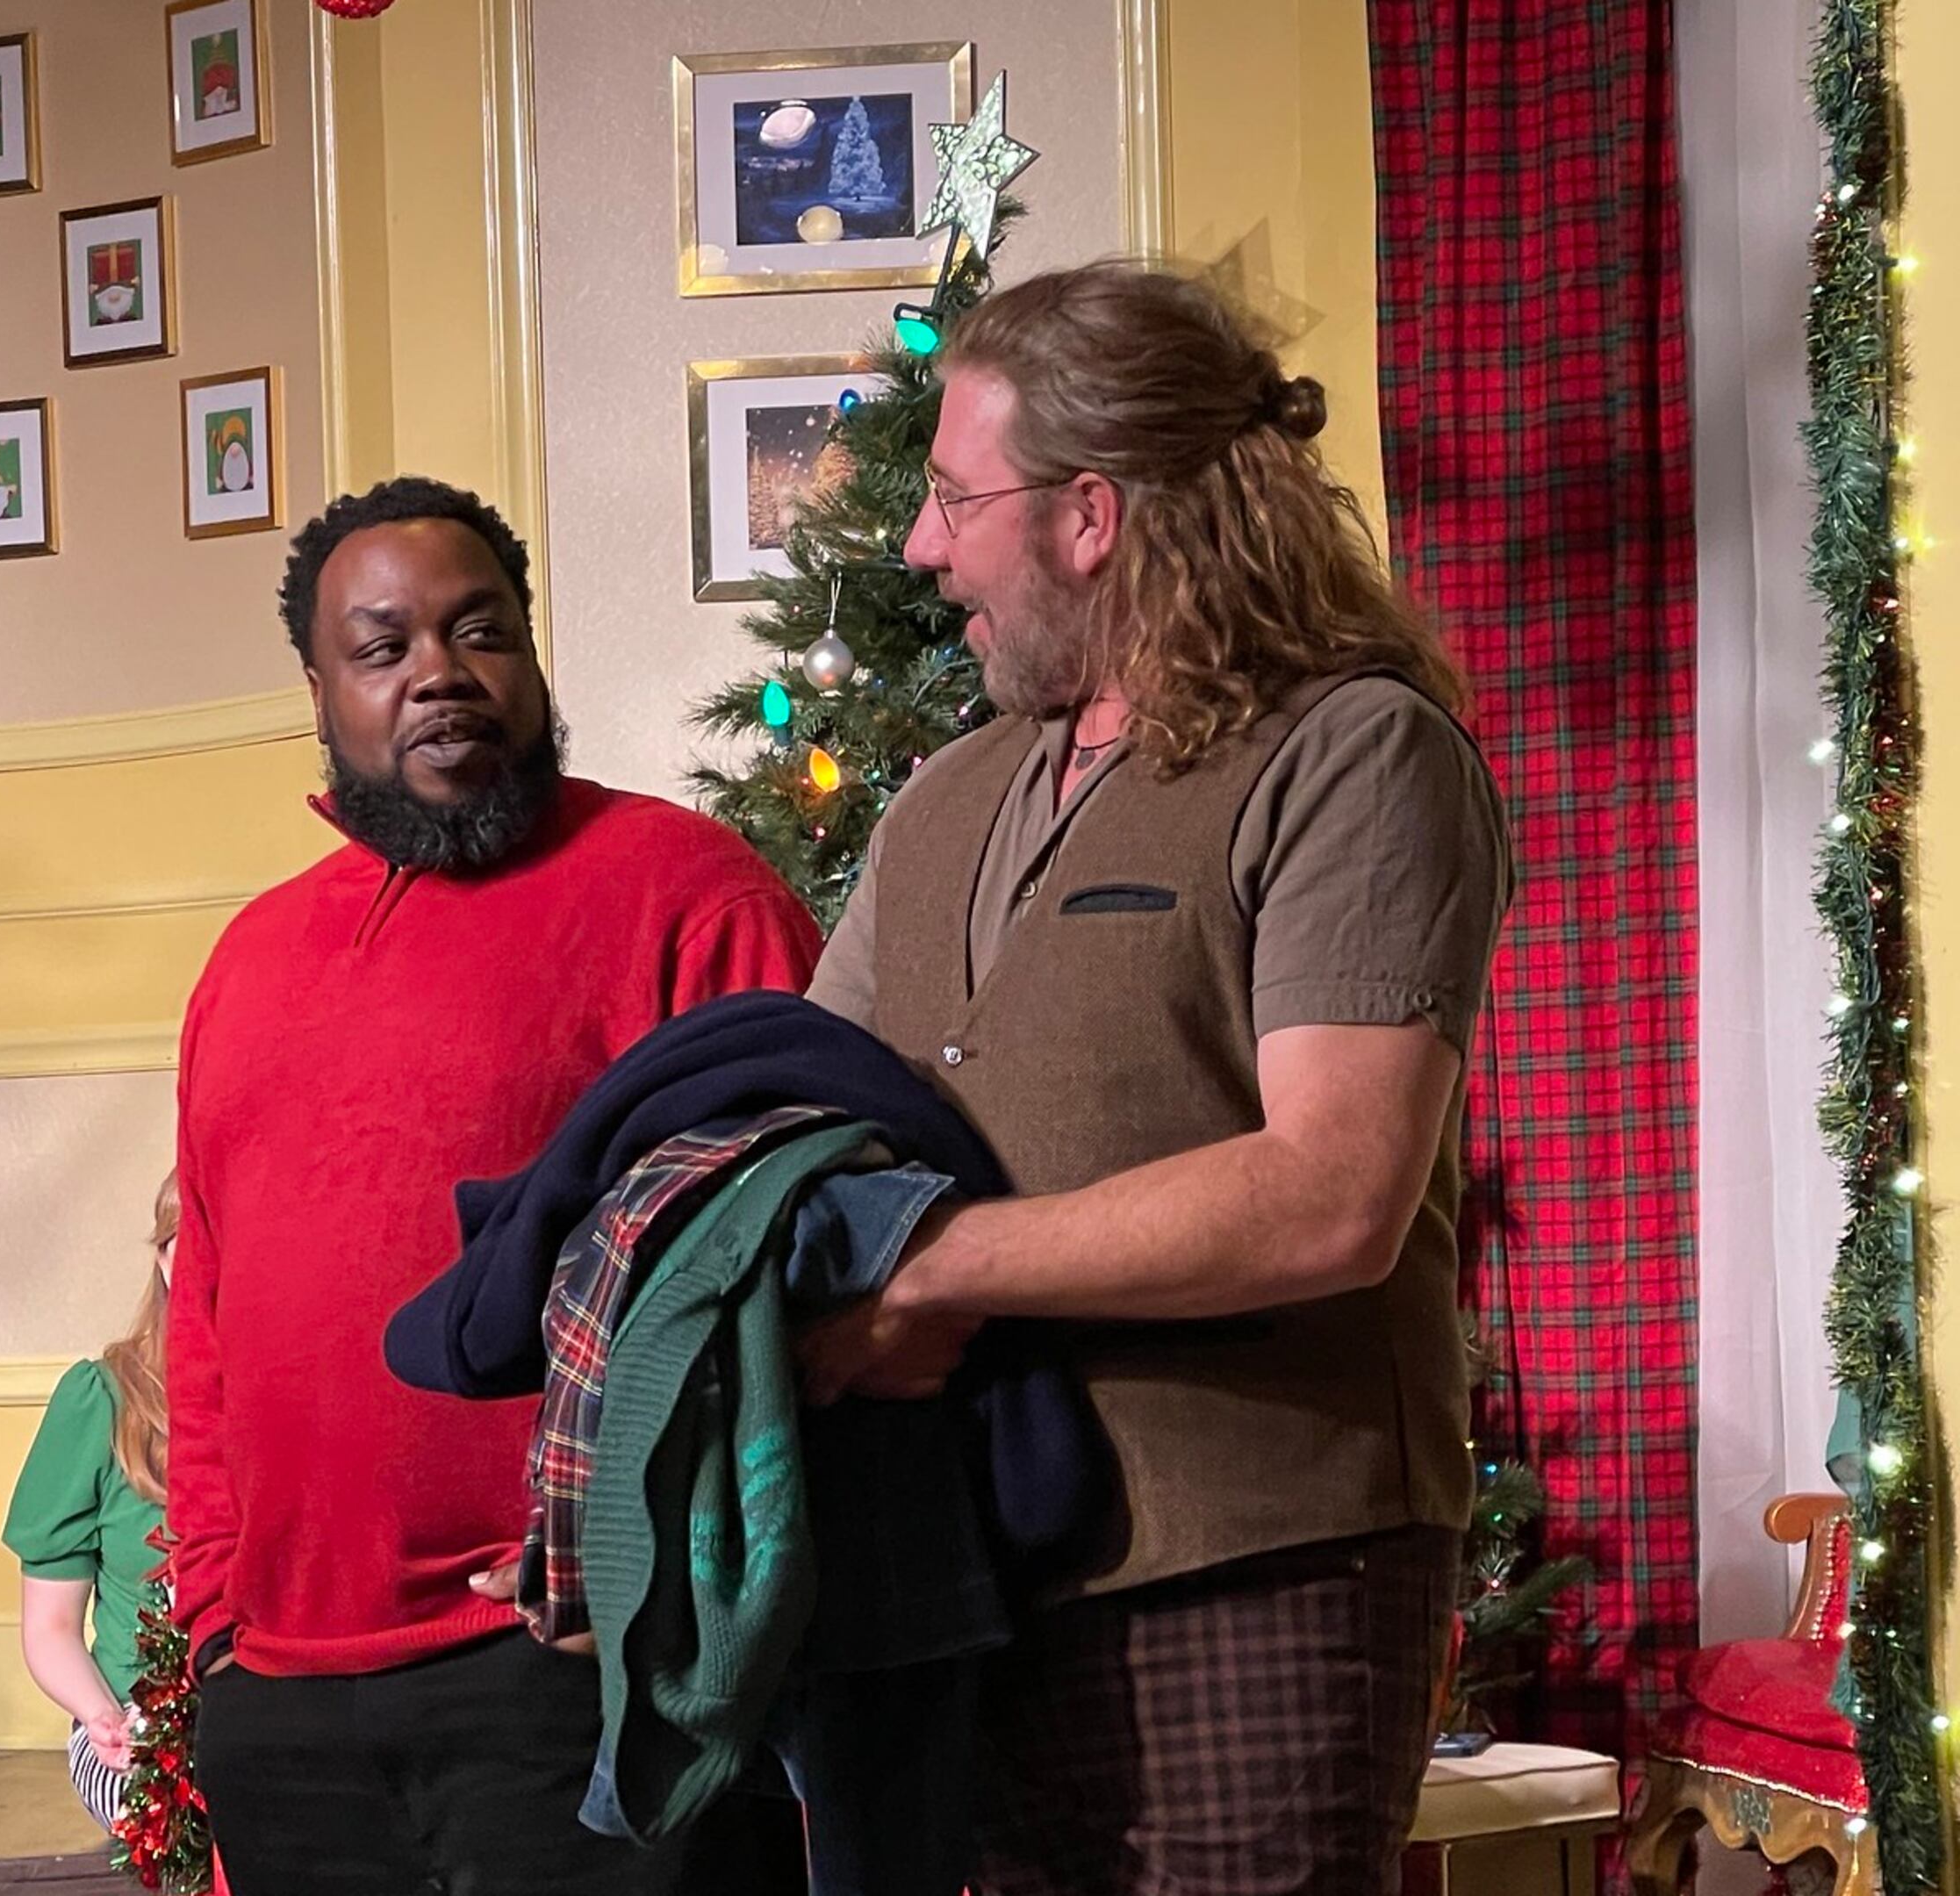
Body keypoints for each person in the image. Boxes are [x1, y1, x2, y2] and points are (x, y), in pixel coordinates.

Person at [799, 260, 1512, 1895]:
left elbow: (1333, 1189)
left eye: (951, 496)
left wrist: (937, 1270)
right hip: (965, 1571)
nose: (921, 546)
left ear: (1091, 517)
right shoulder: (945, 797)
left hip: (1257, 1563)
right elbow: (804, 1115)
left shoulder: (1352, 750)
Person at [166, 476, 825, 1894]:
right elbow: (206, 1309)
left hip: (573, 1672)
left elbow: (798, 1269)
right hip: (283, 1704)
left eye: (482, 631)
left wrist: (650, 1589)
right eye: (384, 646)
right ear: (321, 689)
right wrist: (217, 1613)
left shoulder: (684, 890)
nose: (439, 676)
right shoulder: (250, 960)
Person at [1, 1173, 177, 1828]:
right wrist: (107, 1720)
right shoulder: (103, 1401)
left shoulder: (301, 1398)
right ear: (164, 1257)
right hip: (134, 1719)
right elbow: (50, 1626)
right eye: (188, 1239)